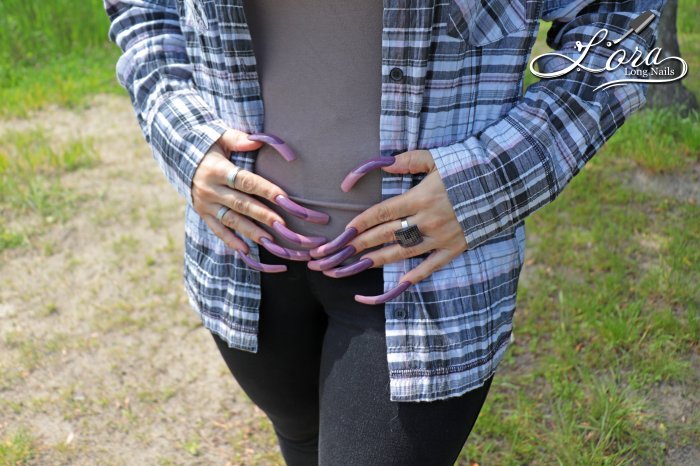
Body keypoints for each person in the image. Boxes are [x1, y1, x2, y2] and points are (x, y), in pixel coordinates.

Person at [104, 0, 665, 464]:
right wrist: (182, 139)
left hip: (427, 283)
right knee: (301, 438)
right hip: (245, 266)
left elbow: (627, 25)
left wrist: (496, 178)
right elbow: (142, 10)